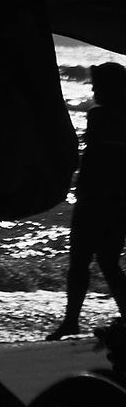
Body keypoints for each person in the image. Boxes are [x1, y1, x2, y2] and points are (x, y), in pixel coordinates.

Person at [47, 62, 126, 341]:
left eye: (97, 84)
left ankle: (71, 321)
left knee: (82, 261)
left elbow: (101, 160)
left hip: (98, 198)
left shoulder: (101, 116)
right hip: (115, 200)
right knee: (107, 261)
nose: (92, 89)